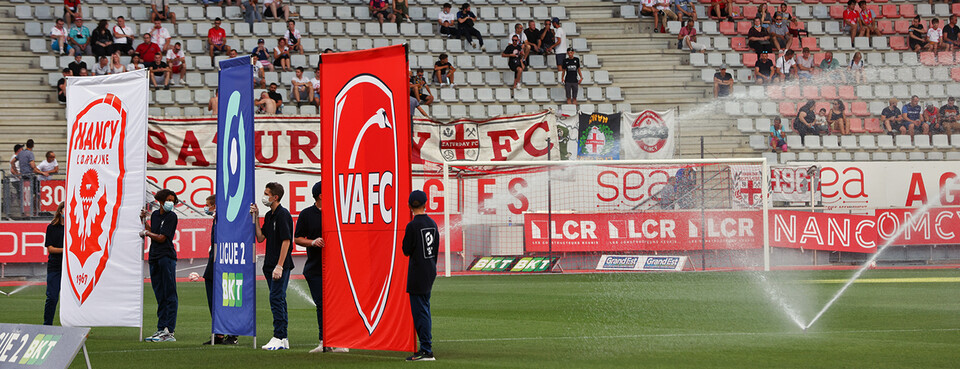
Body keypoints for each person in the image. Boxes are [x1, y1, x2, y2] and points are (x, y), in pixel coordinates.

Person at [293, 182, 348, 354]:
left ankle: (340, 340)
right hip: (315, 269)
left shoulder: (338, 212)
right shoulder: (306, 214)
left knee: (337, 304)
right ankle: (324, 341)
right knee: (321, 304)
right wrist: (312, 242)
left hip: (337, 268)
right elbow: (297, 238)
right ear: (321, 196)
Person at [251, 183, 294, 351]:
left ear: (275, 197)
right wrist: (256, 218)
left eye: (266, 193)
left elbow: (286, 241)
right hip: (269, 266)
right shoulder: (269, 215)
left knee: (276, 299)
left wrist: (280, 266)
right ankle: (283, 338)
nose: (264, 196)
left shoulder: (283, 215)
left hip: (279, 266)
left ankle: (279, 336)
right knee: (279, 300)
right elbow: (261, 237)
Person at [402, 190, 439, 362]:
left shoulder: (412, 226)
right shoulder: (432, 223)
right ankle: (426, 347)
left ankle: (426, 350)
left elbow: (405, 250)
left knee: (420, 312)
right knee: (424, 307)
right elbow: (436, 248)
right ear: (426, 204)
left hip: (417, 272)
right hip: (430, 269)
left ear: (409, 206)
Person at [141, 189, 180, 343]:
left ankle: (169, 330)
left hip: (166, 257)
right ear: (161, 201)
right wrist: (144, 222)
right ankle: (160, 328)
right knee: (159, 294)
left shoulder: (172, 217)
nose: (171, 203)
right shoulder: (156, 215)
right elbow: (154, 232)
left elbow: (162, 238)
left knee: (169, 293)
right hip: (154, 257)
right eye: (169, 200)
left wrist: (147, 233)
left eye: (173, 200)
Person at [199, 195, 238, 345]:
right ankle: (219, 333)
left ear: (215, 206)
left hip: (225, 264)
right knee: (213, 300)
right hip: (213, 263)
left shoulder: (226, 219)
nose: (206, 208)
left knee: (228, 298)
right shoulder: (215, 220)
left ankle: (233, 334)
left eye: (208, 205)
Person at [42, 202, 65, 326]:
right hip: (55, 267)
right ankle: (47, 324)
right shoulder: (51, 227)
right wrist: (66, 250)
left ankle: (70, 324)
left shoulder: (73, 228)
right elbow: (50, 249)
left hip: (70, 268)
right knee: (52, 297)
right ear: (60, 211)